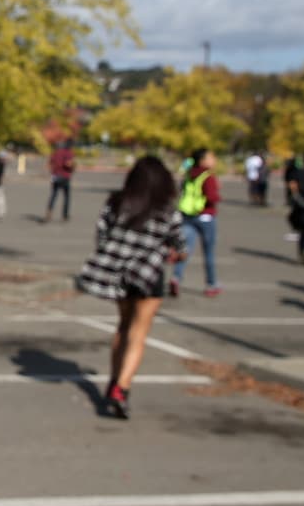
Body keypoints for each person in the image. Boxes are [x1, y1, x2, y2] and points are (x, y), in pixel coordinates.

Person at [76, 156, 185, 419]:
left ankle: (114, 381)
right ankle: (122, 388)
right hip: (149, 275)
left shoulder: (116, 202)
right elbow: (179, 246)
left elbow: (101, 235)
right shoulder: (167, 209)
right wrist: (171, 253)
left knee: (123, 327)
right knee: (139, 333)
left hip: (119, 273)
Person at [171, 148, 222, 297]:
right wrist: (217, 195)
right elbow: (212, 197)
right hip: (205, 216)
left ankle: (176, 277)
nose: (214, 160)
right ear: (203, 160)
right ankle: (211, 284)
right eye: (211, 157)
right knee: (209, 253)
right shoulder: (207, 176)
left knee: (185, 249)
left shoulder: (190, 173)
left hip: (188, 215)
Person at [42, 139, 76, 222]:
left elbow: (49, 164)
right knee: (66, 196)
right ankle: (65, 215)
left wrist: (51, 172)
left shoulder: (56, 153)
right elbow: (68, 164)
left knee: (53, 195)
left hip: (55, 176)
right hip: (65, 176)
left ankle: (49, 212)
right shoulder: (68, 153)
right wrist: (73, 167)